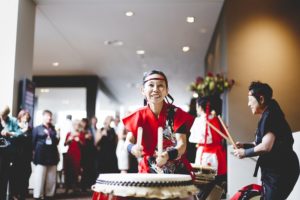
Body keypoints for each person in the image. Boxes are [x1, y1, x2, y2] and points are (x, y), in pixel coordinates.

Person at [233, 81, 299, 200]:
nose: (248, 104)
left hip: (281, 170)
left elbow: (265, 146)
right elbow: (259, 143)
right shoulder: (268, 114)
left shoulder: (272, 115)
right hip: (276, 170)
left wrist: (245, 153)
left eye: (250, 99)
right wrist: (244, 146)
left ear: (261, 99)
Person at [123, 70, 195, 174]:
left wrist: (167, 155)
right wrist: (133, 148)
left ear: (166, 90)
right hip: (148, 170)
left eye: (160, 85)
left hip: (177, 171)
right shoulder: (138, 116)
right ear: (143, 90)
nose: (155, 89)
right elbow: (127, 142)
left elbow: (182, 145)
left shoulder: (177, 114)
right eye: (151, 85)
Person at [189, 96, 227, 199]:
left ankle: (202, 197)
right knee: (216, 180)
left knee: (204, 180)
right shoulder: (217, 119)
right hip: (218, 154)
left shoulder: (199, 120)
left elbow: (193, 139)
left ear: (200, 108)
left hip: (205, 154)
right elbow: (224, 136)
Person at [32, 110, 59, 200]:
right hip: (41, 156)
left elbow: (56, 142)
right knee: (39, 177)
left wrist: (58, 135)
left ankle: (49, 195)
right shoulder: (37, 128)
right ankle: (38, 196)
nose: (49, 118)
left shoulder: (54, 129)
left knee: (51, 179)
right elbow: (33, 142)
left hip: (52, 156)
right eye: (47, 116)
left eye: (50, 116)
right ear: (43, 117)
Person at [0, 105, 20, 199]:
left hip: (8, 154)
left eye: (3, 115)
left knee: (4, 179)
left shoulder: (13, 120)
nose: (1, 117)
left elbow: (19, 133)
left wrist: (9, 133)